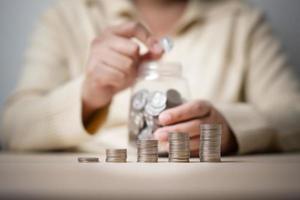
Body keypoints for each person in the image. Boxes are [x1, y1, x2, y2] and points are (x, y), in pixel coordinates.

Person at [1, 0, 300, 155]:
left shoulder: (242, 22)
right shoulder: (66, 17)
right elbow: (13, 126)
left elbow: (293, 115)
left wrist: (233, 129)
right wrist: (89, 95)